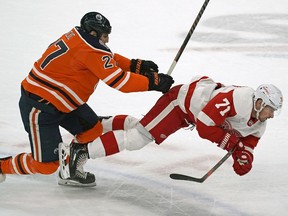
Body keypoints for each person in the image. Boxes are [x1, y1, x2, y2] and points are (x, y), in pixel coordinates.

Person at [0, 12, 174, 186]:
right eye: (105, 36)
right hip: (40, 108)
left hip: (62, 101)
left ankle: (70, 168)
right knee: (47, 166)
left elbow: (105, 57)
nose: (107, 40)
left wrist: (134, 65)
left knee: (92, 130)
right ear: (93, 33)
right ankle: (2, 166)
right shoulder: (90, 49)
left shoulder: (79, 37)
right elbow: (119, 81)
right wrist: (153, 82)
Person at [58, 75, 283, 186]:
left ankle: (101, 124)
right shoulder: (238, 99)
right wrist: (231, 143)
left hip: (187, 111)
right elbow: (205, 126)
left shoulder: (259, 123)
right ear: (260, 102)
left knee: (141, 128)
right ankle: (79, 153)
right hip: (179, 103)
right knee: (139, 138)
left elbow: (249, 144)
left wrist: (243, 158)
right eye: (271, 109)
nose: (272, 115)